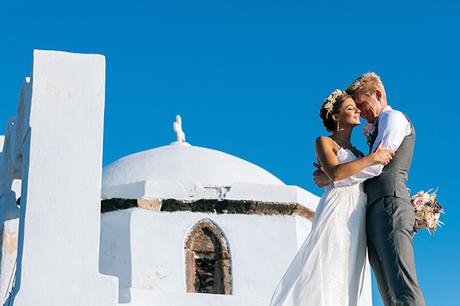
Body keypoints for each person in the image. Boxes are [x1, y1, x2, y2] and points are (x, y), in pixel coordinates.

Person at [270, 89, 394, 306]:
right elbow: (336, 173)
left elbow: (338, 176)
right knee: (330, 263)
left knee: (350, 270)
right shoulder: (324, 142)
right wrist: (373, 158)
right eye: (350, 108)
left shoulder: (357, 152)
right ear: (335, 117)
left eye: (356, 108)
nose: (357, 110)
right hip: (337, 208)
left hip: (358, 212)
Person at [315, 72, 425, 305]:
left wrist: (333, 178)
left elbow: (378, 164)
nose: (361, 112)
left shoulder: (392, 118)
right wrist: (332, 173)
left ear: (377, 94)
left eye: (362, 105)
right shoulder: (369, 132)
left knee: (402, 289)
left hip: (389, 206)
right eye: (355, 107)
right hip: (372, 211)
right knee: (389, 294)